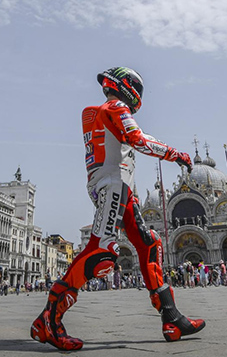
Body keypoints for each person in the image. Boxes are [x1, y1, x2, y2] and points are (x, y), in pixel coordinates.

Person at [30, 67, 204, 351]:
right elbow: (138, 139)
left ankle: (172, 317)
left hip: (118, 186)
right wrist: (176, 154)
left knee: (148, 244)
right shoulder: (115, 106)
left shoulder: (101, 111)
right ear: (128, 87)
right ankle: (48, 319)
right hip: (113, 185)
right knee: (102, 252)